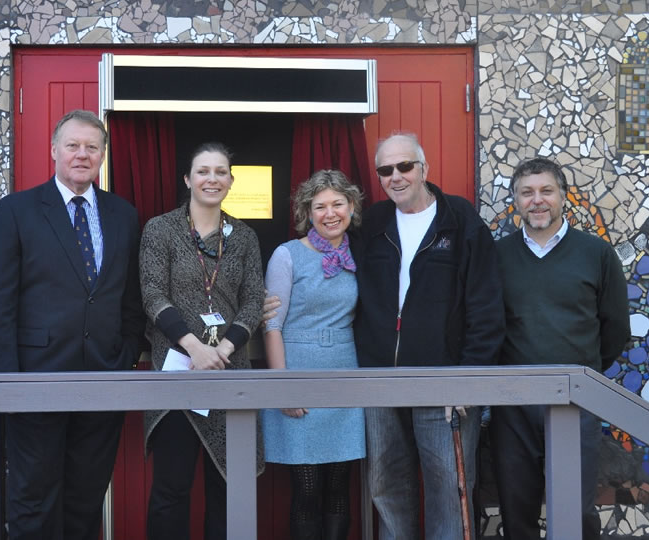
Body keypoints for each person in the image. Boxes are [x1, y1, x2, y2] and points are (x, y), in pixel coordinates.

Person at [0, 109, 144, 540]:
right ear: (54, 150)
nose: (82, 154)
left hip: (103, 381)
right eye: (73, 145)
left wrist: (124, 355)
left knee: (86, 501)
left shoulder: (123, 214)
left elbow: (130, 298)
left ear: (103, 155)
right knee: (33, 501)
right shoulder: (17, 210)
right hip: (35, 383)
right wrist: (6, 385)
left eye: (92, 147)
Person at [353, 132, 505, 540]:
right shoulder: (372, 224)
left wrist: (468, 377)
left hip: (444, 383)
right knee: (386, 486)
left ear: (425, 169)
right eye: (385, 169)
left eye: (405, 166)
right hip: (380, 382)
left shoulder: (460, 220)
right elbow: (329, 266)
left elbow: (486, 306)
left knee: (449, 486)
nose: (396, 176)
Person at [491, 157, 629, 540]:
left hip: (576, 401)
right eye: (527, 192)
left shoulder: (596, 254)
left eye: (546, 191)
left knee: (576, 509)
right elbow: (484, 324)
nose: (537, 201)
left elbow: (616, 327)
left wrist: (583, 371)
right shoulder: (496, 257)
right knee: (516, 508)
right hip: (512, 403)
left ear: (563, 197)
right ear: (516, 201)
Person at [139, 142, 265, 540]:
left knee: (229, 487)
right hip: (177, 373)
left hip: (230, 373)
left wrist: (224, 350)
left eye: (220, 172)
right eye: (203, 171)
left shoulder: (244, 236)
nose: (212, 178)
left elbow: (254, 300)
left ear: (231, 181)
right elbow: (152, 294)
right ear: (188, 179)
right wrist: (194, 347)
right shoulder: (160, 229)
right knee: (170, 491)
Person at [261, 169, 367, 540]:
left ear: (352, 207)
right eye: (319, 206)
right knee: (306, 488)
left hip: (345, 373)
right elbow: (271, 324)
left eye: (338, 203)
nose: (330, 213)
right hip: (299, 372)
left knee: (340, 486)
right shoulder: (286, 255)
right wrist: (283, 385)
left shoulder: (363, 253)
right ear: (307, 212)